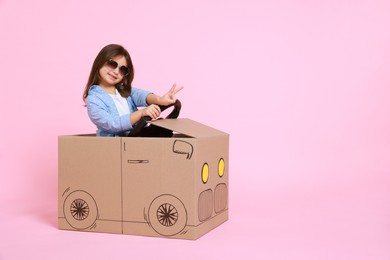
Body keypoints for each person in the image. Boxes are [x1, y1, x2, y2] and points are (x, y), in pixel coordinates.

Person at [83, 44, 183, 137]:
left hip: (135, 139)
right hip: (114, 146)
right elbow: (112, 124)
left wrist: (160, 100)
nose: (116, 72)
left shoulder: (124, 91)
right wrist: (141, 113)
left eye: (122, 69)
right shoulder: (94, 99)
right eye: (112, 64)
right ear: (100, 62)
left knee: (162, 130)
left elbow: (141, 95)